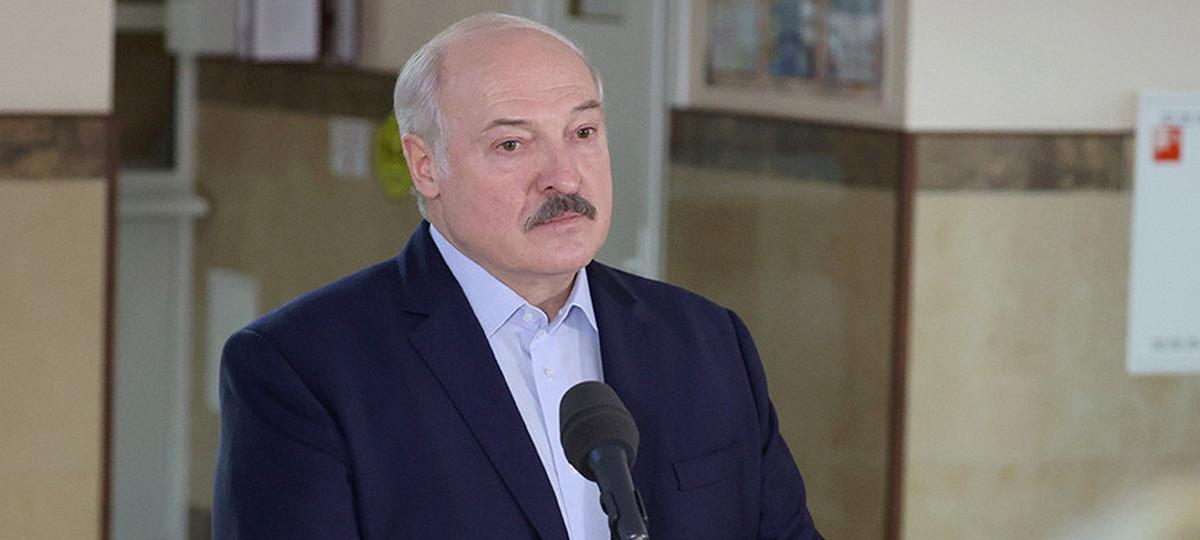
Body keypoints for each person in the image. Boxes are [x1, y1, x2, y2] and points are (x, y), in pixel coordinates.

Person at [213, 12, 822, 540]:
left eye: (582, 133)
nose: (565, 176)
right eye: (512, 145)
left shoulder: (706, 341)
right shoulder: (303, 369)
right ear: (425, 166)